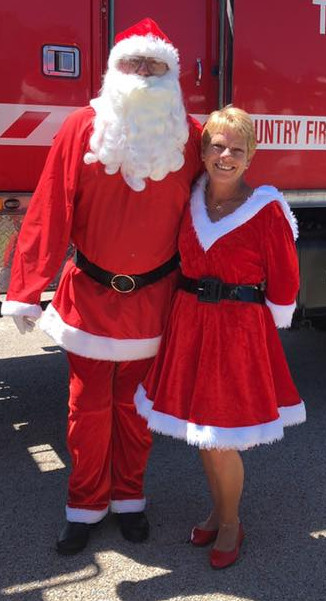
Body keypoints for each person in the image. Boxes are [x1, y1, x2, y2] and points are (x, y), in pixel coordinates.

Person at [1, 18, 202, 554]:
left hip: (155, 302)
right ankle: (85, 505)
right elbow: (49, 209)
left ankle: (129, 499)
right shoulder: (79, 128)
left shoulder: (191, 136)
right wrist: (27, 285)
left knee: (136, 410)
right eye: (133, 63)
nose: (143, 73)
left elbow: (211, 218)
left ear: (171, 74)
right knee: (86, 410)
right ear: (115, 70)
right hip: (89, 298)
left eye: (154, 65)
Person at [134, 106, 306, 569]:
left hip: (237, 333)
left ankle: (231, 523)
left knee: (221, 438)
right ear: (204, 150)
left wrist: (258, 338)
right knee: (203, 435)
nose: (225, 155)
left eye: (236, 148)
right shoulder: (191, 198)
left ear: (250, 156)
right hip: (190, 326)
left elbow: (285, 284)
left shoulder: (267, 209)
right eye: (216, 145)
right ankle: (218, 510)